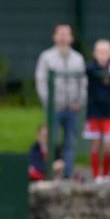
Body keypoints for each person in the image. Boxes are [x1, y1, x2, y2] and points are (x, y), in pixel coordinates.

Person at [36, 24, 87, 178]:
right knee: (51, 140)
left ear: (71, 38)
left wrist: (80, 101)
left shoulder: (78, 58)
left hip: (73, 108)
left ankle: (68, 173)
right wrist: (48, 103)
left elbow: (83, 82)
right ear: (55, 37)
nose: (64, 37)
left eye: (67, 34)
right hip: (54, 108)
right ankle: (50, 172)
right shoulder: (46, 57)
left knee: (70, 142)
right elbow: (41, 81)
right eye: (61, 34)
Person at [84, 38, 110, 182]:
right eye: (100, 52)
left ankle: (106, 174)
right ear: (95, 54)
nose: (103, 55)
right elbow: (89, 70)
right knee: (95, 144)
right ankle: (96, 175)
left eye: (106, 52)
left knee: (109, 146)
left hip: (109, 113)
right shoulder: (91, 68)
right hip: (94, 112)